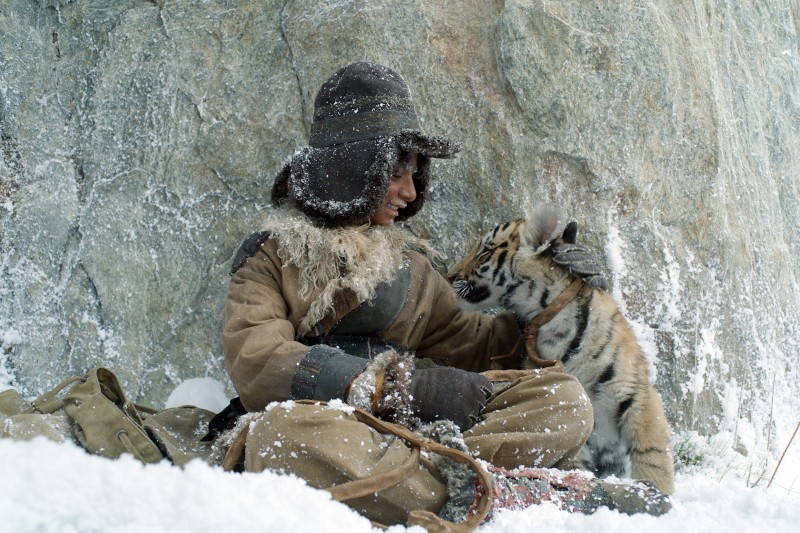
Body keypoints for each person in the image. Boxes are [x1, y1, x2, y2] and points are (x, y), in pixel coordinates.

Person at [219, 62, 668, 527]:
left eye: (416, 175)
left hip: (414, 434)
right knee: (279, 437)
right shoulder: (270, 258)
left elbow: (476, 343)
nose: (411, 192)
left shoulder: (411, 268)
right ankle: (502, 490)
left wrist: (561, 296)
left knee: (562, 399)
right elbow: (258, 360)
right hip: (329, 424)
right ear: (355, 167)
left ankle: (438, 482)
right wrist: (391, 388)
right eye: (398, 172)